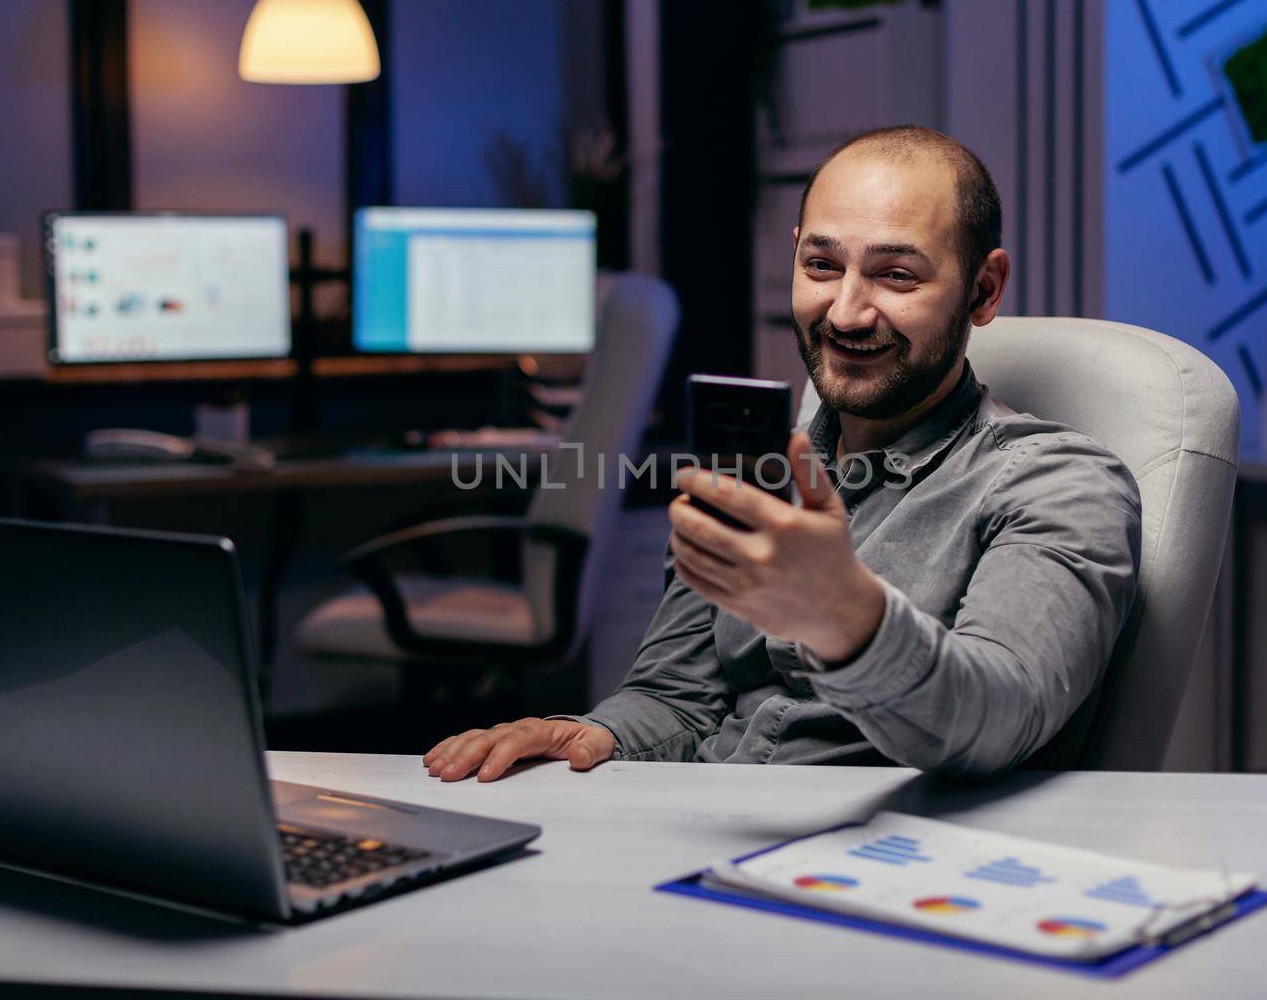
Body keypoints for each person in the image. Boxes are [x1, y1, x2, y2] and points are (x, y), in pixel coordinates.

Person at [424, 125, 1142, 782]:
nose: (846, 312)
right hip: (706, 835)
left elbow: (997, 717)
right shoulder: (758, 474)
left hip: (892, 873)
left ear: (983, 290)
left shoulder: (1061, 484)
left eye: (897, 275)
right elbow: (675, 699)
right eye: (822, 264)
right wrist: (586, 733)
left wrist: (848, 617)